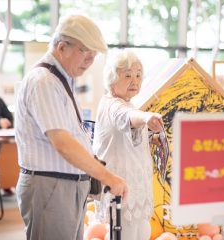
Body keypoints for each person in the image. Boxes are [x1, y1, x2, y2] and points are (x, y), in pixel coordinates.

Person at [14, 14, 128, 240]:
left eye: (93, 54)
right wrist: (108, 177)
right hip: (50, 187)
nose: (90, 59)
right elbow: (63, 143)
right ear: (62, 47)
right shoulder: (44, 81)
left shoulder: (61, 80)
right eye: (84, 51)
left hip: (64, 187)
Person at [93, 50, 163, 240]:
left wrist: (150, 138)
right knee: (126, 234)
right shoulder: (113, 105)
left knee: (141, 232)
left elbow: (127, 137)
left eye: (139, 75)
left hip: (133, 188)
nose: (135, 80)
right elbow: (125, 117)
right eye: (128, 75)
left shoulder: (127, 103)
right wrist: (147, 117)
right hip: (121, 188)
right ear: (113, 79)